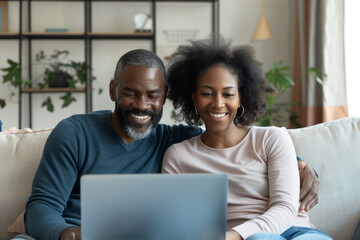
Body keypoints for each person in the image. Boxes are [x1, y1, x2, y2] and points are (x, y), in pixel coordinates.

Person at [22, 49, 318, 240]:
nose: (142, 105)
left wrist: (301, 165)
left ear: (164, 97)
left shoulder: (172, 139)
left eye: (152, 95)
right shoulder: (74, 133)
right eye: (130, 93)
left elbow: (227, 139)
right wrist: (69, 234)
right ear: (113, 90)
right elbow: (41, 207)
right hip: (70, 233)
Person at [162, 38, 331, 240]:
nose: (218, 103)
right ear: (194, 98)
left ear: (240, 98)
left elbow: (285, 208)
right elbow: (175, 220)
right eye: (207, 93)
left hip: (297, 231)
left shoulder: (272, 138)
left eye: (228, 94)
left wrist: (232, 236)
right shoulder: (178, 156)